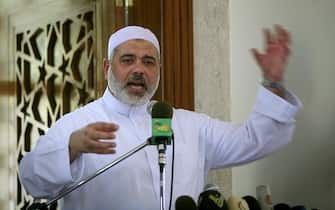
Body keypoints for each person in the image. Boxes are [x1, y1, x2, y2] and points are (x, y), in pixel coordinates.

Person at [19, 25, 302, 210]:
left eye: (149, 62)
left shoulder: (188, 125)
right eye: (127, 60)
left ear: (158, 70)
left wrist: (272, 83)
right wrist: (71, 147)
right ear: (107, 67)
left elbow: (254, 140)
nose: (139, 70)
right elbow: (31, 178)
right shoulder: (76, 125)